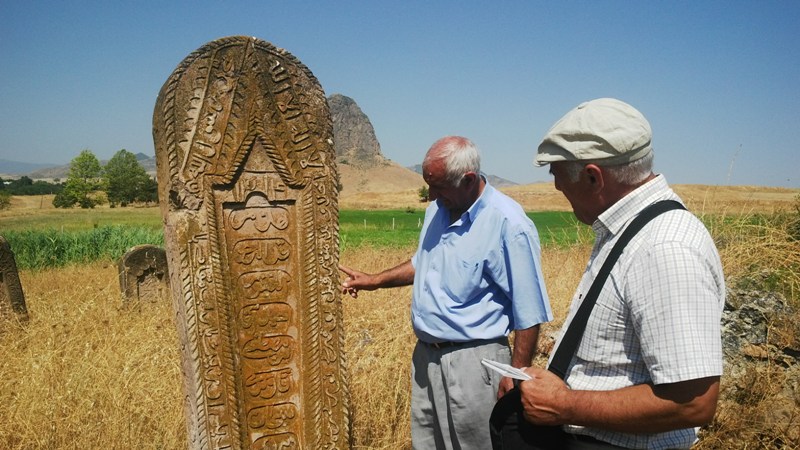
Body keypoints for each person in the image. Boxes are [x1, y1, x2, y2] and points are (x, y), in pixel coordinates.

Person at [519, 98, 725, 449]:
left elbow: (693, 402)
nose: (557, 189)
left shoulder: (663, 248)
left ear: (592, 177)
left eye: (557, 176)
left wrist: (564, 404)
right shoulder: (630, 229)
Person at [339, 136, 552, 450]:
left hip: (475, 364)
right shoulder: (437, 212)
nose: (431, 196)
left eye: (438, 187)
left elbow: (529, 308)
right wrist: (375, 280)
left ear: (467, 180)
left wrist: (516, 373)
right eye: (428, 185)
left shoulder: (508, 222)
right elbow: (423, 262)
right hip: (426, 358)